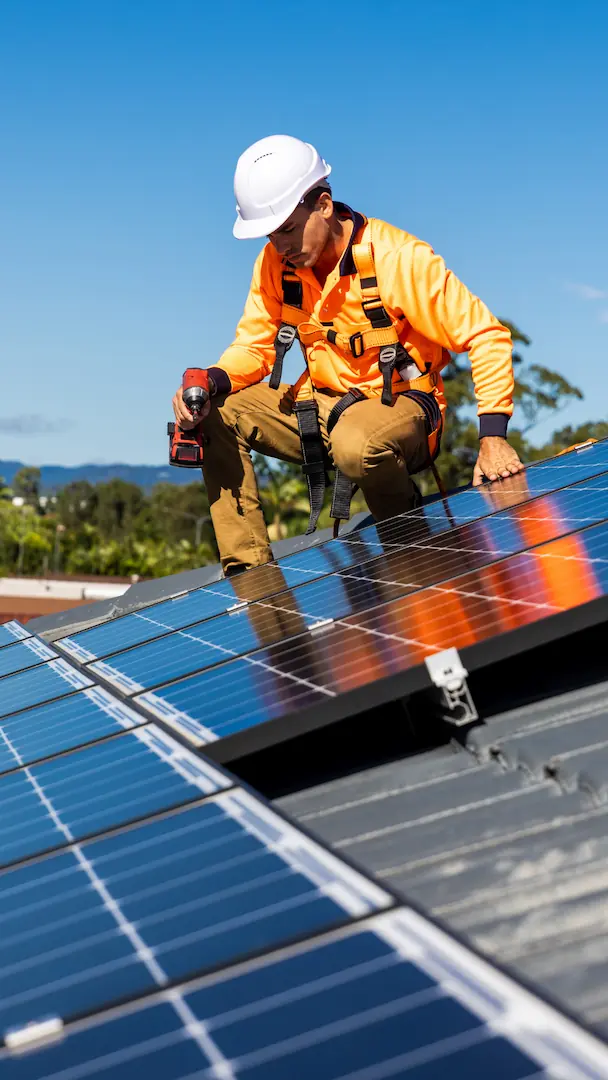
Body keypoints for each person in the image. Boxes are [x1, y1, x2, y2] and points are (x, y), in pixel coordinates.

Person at [173, 134, 524, 576]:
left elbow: (486, 335)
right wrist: (209, 382)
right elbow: (253, 348)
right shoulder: (275, 265)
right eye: (269, 233)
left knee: (356, 441)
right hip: (321, 408)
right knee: (219, 413)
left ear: (322, 205)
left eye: (286, 229)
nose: (279, 245)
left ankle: (409, 549)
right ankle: (250, 578)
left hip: (400, 410)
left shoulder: (398, 258)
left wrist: (493, 438)